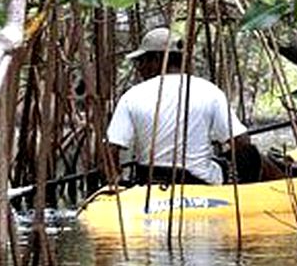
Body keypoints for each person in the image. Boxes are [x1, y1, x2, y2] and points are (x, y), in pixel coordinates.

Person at [105, 27, 277, 186]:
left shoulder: (131, 96)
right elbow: (241, 143)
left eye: (141, 61)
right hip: (199, 181)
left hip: (150, 183)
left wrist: (117, 181)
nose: (140, 68)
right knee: (254, 157)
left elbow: (111, 149)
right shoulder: (209, 91)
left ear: (157, 59)